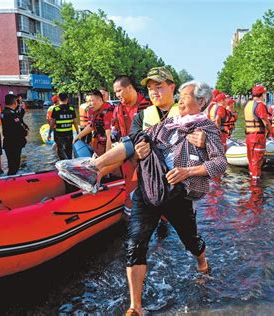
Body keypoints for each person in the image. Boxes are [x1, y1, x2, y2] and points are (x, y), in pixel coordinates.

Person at [62, 81, 226, 316]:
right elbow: (137, 141)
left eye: (185, 95)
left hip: (177, 193)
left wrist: (188, 171)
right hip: (149, 186)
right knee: (135, 243)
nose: (180, 98)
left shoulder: (207, 129)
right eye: (179, 94)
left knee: (190, 240)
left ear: (200, 101)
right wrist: (138, 150)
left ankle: (202, 262)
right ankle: (135, 306)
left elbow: (220, 163)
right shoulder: (169, 122)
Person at [112, 75, 151, 213]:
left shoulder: (149, 105)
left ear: (129, 88)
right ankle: (131, 215)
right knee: (131, 189)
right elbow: (115, 130)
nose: (116, 95)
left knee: (153, 190)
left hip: (147, 157)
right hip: (128, 158)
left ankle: (162, 223)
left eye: (119, 91)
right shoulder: (118, 109)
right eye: (115, 92)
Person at [244, 85, 271, 180]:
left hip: (249, 136)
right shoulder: (260, 105)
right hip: (257, 137)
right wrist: (270, 131)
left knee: (251, 160)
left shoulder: (248, 104)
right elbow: (265, 122)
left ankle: (252, 178)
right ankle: (256, 186)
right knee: (257, 160)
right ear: (262, 94)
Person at [75, 90, 113, 157]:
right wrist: (78, 136)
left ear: (100, 100)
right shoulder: (92, 110)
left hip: (108, 147)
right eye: (87, 101)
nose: (89, 104)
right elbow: (91, 125)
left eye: (91, 101)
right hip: (98, 147)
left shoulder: (108, 112)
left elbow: (109, 136)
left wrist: (107, 157)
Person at [1, 94, 28, 175]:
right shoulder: (12, 114)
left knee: (11, 165)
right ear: (14, 102)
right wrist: (26, 132)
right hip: (15, 143)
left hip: (8, 142)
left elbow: (18, 118)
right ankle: (11, 181)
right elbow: (19, 127)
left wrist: (21, 110)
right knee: (14, 165)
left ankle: (10, 179)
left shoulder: (3, 112)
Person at [49, 93, 78, 160]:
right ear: (67, 99)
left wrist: (49, 133)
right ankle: (69, 165)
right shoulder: (71, 109)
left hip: (59, 135)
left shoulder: (56, 109)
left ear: (58, 99)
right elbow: (75, 122)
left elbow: (52, 123)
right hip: (69, 134)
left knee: (61, 151)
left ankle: (63, 166)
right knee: (69, 151)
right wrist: (78, 132)